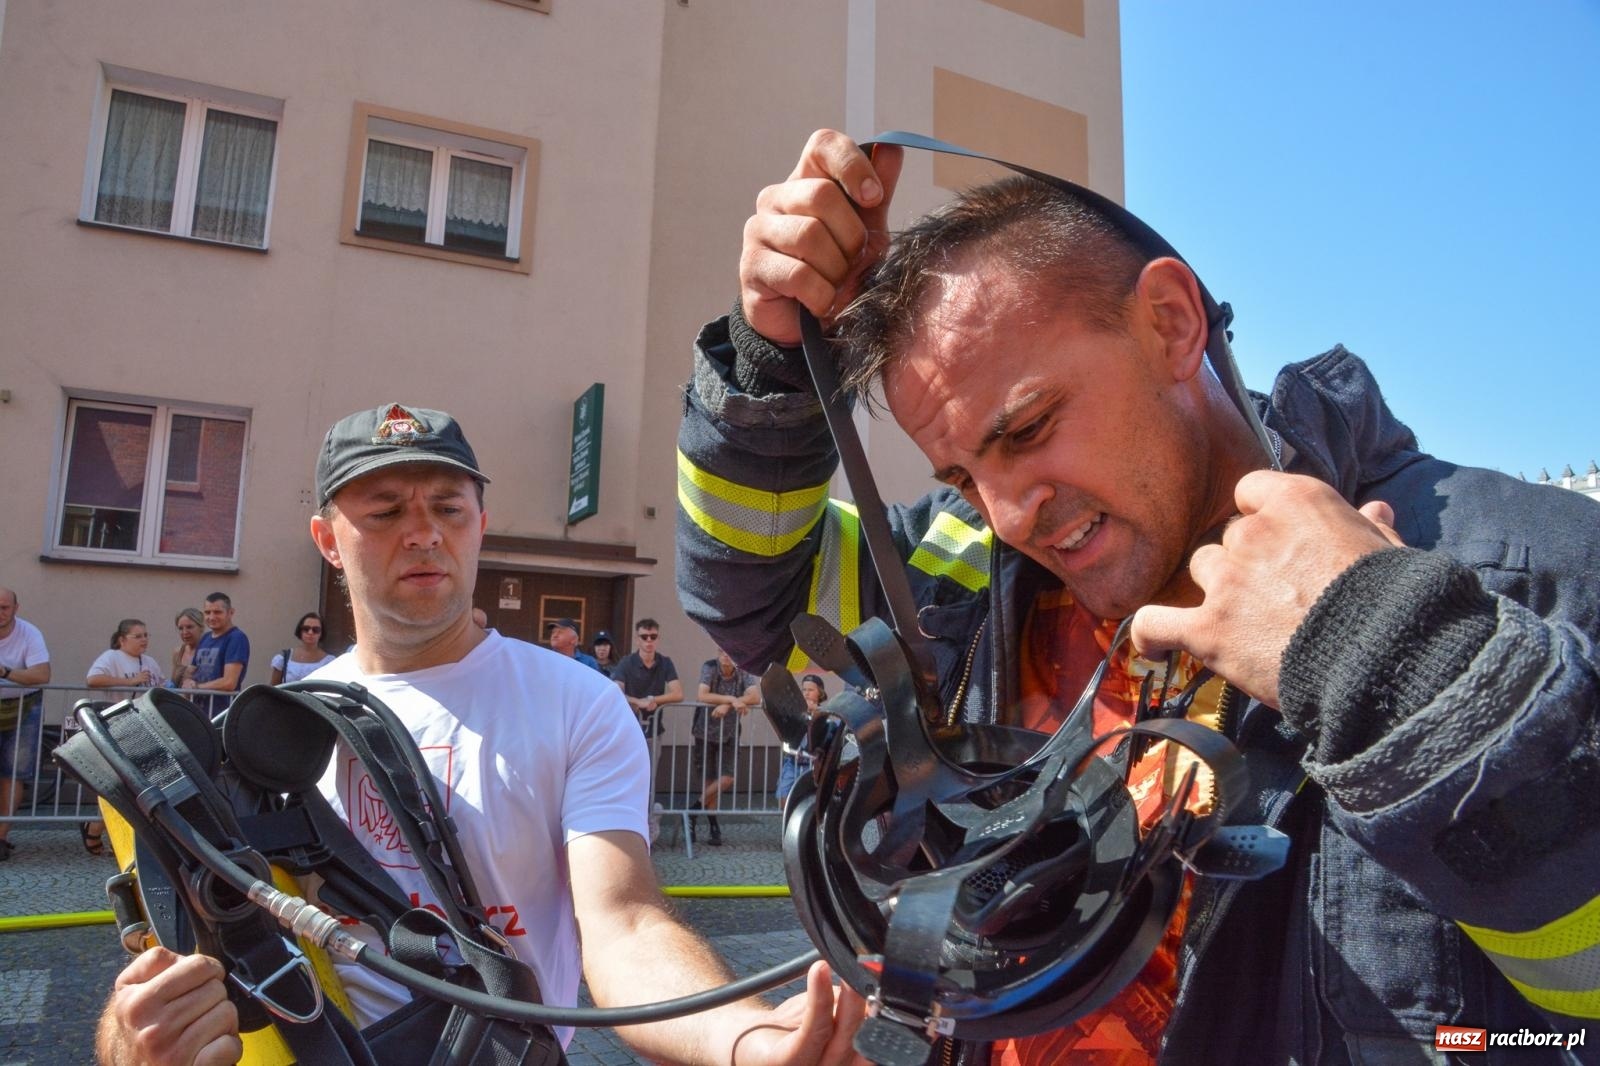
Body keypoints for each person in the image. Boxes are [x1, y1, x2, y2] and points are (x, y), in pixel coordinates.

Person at [675, 130, 1600, 1063]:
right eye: (961, 477)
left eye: (1028, 429)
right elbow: (762, 598)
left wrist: (1391, 659)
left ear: (1170, 321)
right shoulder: (968, 567)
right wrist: (771, 357)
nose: (1008, 516)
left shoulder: (1525, 571)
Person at [96, 402, 866, 1066]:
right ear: (328, 539)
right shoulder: (271, 732)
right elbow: (192, 955)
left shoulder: (577, 705)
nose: (423, 533)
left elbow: (625, 922)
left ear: (481, 525)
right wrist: (130, 1038)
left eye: (448, 508)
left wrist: (741, 1037)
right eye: (385, 512)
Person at [83, 617, 167, 855]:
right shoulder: (111, 657)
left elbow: (160, 687)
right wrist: (130, 681)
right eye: (137, 636)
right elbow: (93, 679)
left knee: (137, 787)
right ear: (122, 640)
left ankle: (109, 833)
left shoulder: (149, 662)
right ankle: (98, 830)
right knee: (120, 786)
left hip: (143, 728)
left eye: (146, 635)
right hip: (116, 728)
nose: (144, 640)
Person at [0, 586, 50, 862]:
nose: (0, 613)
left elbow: (42, 675)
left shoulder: (29, 633)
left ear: (15, 609)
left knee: (14, 772)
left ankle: (1, 837)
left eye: (4, 607)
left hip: (24, 706)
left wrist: (5, 672)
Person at [693, 647, 760, 846]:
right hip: (705, 731)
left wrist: (728, 705)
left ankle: (693, 810)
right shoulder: (710, 667)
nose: (726, 655)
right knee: (709, 781)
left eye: (729, 652)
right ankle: (713, 827)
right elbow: (702, 695)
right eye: (722, 651)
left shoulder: (743, 670)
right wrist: (732, 699)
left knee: (727, 778)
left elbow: (755, 697)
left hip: (729, 732)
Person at [613, 618, 682, 737]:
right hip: (628, 728)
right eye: (644, 637)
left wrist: (652, 700)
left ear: (658, 639)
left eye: (653, 637)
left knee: (654, 749)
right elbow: (617, 693)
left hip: (654, 729)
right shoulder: (626, 662)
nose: (649, 640)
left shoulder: (665, 662)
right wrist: (639, 702)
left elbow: (678, 694)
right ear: (637, 640)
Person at [183, 592, 249, 711]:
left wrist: (197, 687)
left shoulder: (236, 638)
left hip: (221, 713)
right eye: (207, 612)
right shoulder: (205, 638)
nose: (212, 617)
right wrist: (187, 682)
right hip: (197, 711)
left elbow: (229, 682)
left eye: (217, 612)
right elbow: (191, 670)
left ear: (231, 612)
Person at [774, 675, 824, 804]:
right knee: (783, 798)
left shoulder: (823, 712)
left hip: (812, 764)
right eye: (804, 690)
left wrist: (815, 712)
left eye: (810, 690)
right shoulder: (796, 711)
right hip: (793, 761)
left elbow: (825, 727)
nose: (806, 693)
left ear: (820, 693)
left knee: (809, 800)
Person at [268, 611, 336, 684]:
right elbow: (273, 688)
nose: (310, 632)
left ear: (321, 633)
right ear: (300, 631)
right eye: (306, 629)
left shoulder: (329, 662)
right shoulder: (284, 659)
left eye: (316, 630)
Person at [169, 607, 203, 688]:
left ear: (201, 627)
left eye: (189, 627)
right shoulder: (178, 652)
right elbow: (173, 682)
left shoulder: (209, 651)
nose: (185, 632)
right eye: (180, 628)